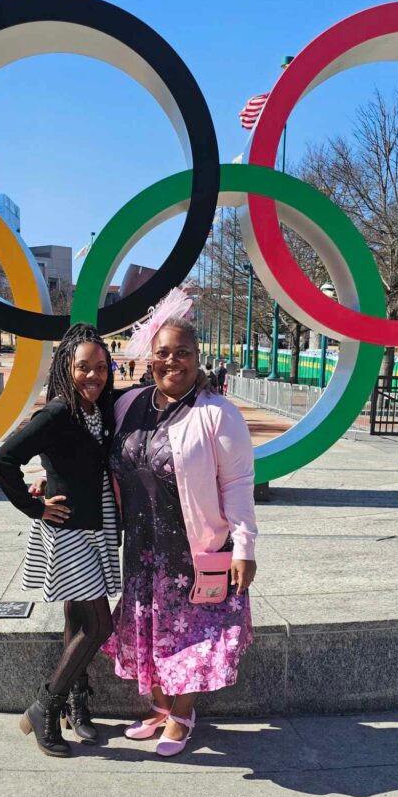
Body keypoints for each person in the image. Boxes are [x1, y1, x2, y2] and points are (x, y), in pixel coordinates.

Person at [103, 300, 257, 759]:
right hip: (141, 549)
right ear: (150, 356)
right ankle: (160, 707)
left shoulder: (217, 413)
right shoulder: (128, 404)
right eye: (165, 352)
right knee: (149, 632)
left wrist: (245, 546)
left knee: (191, 637)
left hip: (194, 552)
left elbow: (237, 483)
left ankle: (183, 714)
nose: (174, 361)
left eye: (184, 352)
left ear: (197, 355)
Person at [0, 323, 121, 757]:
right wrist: (36, 507)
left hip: (95, 526)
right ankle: (45, 707)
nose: (93, 375)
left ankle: (74, 702)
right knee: (100, 624)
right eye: (83, 367)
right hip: (67, 532)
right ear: (67, 367)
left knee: (77, 619)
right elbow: (4, 458)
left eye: (101, 367)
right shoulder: (59, 412)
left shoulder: (100, 409)